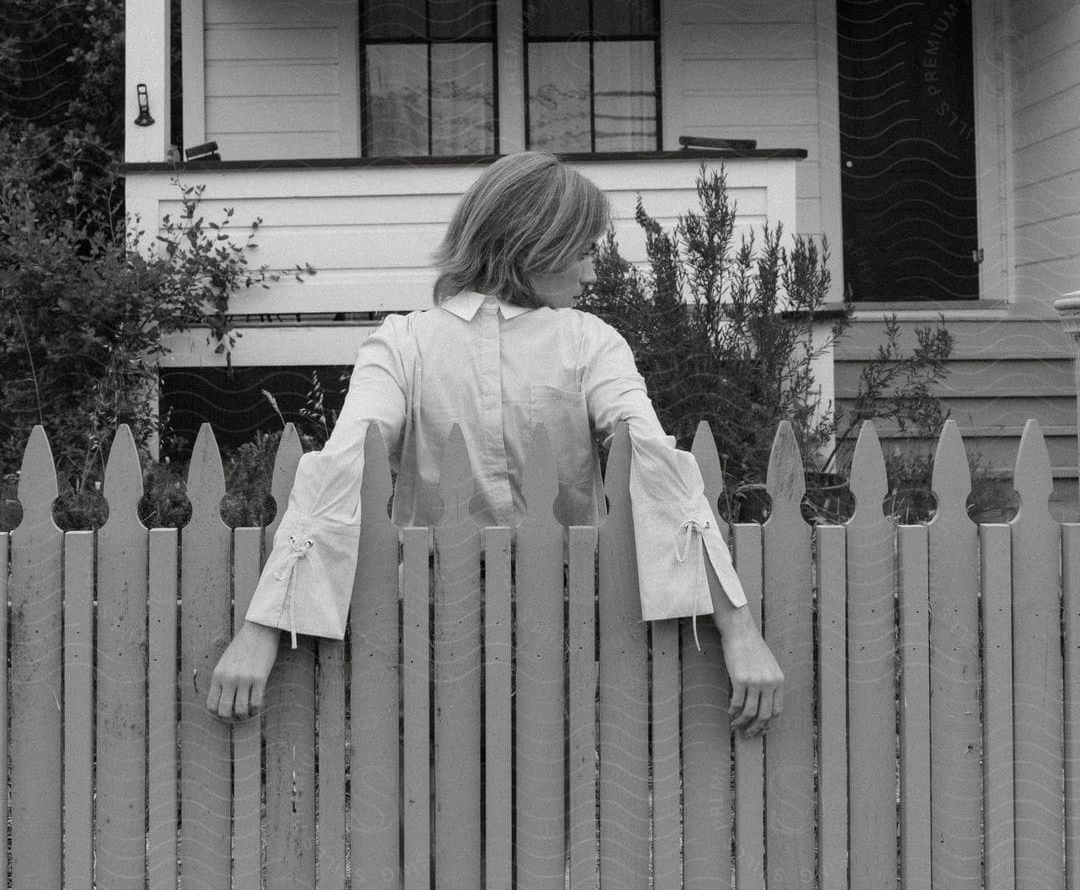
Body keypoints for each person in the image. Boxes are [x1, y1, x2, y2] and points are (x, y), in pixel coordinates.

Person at [207, 151, 783, 734]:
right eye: (584, 251)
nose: (591, 272)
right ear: (538, 247)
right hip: (567, 620)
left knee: (429, 804)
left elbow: (341, 470)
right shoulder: (590, 344)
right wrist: (740, 632)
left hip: (427, 624)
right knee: (561, 800)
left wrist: (260, 630)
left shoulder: (401, 343)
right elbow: (659, 467)